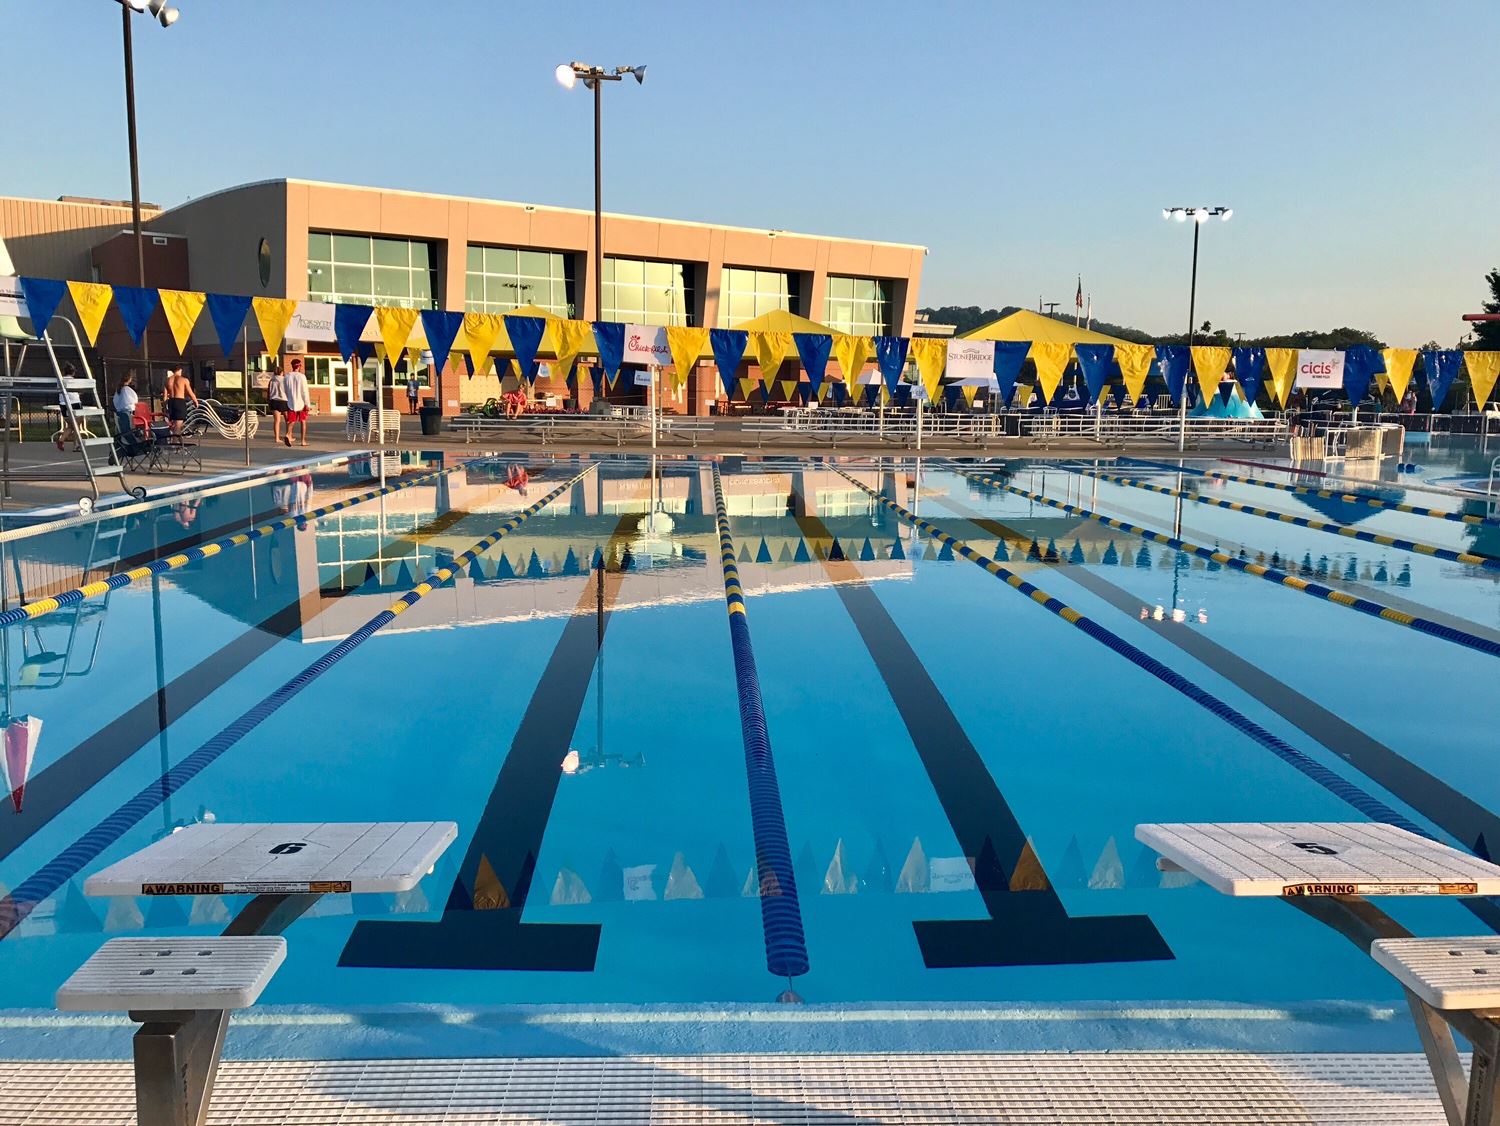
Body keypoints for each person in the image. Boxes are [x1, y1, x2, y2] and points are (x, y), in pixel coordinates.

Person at [283, 356, 311, 447]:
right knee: (303, 421)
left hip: (291, 401)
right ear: (299, 366)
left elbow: (285, 390)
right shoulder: (302, 376)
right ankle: (303, 441)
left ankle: (288, 434)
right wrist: (307, 403)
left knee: (292, 420)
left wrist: (289, 398)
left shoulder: (287, 376)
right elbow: (304, 391)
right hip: (301, 402)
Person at [163, 364, 198, 436]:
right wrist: (195, 401)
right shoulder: (184, 380)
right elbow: (190, 392)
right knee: (177, 427)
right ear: (180, 370)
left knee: (175, 425)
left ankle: (179, 442)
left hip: (171, 402)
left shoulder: (167, 380)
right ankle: (174, 442)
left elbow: (165, 396)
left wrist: (164, 407)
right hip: (180, 402)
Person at [265, 364, 289, 445]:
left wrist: (269, 401)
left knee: (277, 421)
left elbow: (268, 391)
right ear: (282, 372)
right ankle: (288, 435)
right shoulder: (284, 380)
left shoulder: (271, 380)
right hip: (283, 400)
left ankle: (277, 438)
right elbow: (287, 390)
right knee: (288, 420)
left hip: (274, 400)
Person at [112, 370, 140, 436]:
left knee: (123, 431)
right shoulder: (126, 389)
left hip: (120, 412)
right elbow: (131, 401)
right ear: (129, 379)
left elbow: (115, 401)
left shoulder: (119, 389)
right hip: (127, 412)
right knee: (129, 431)